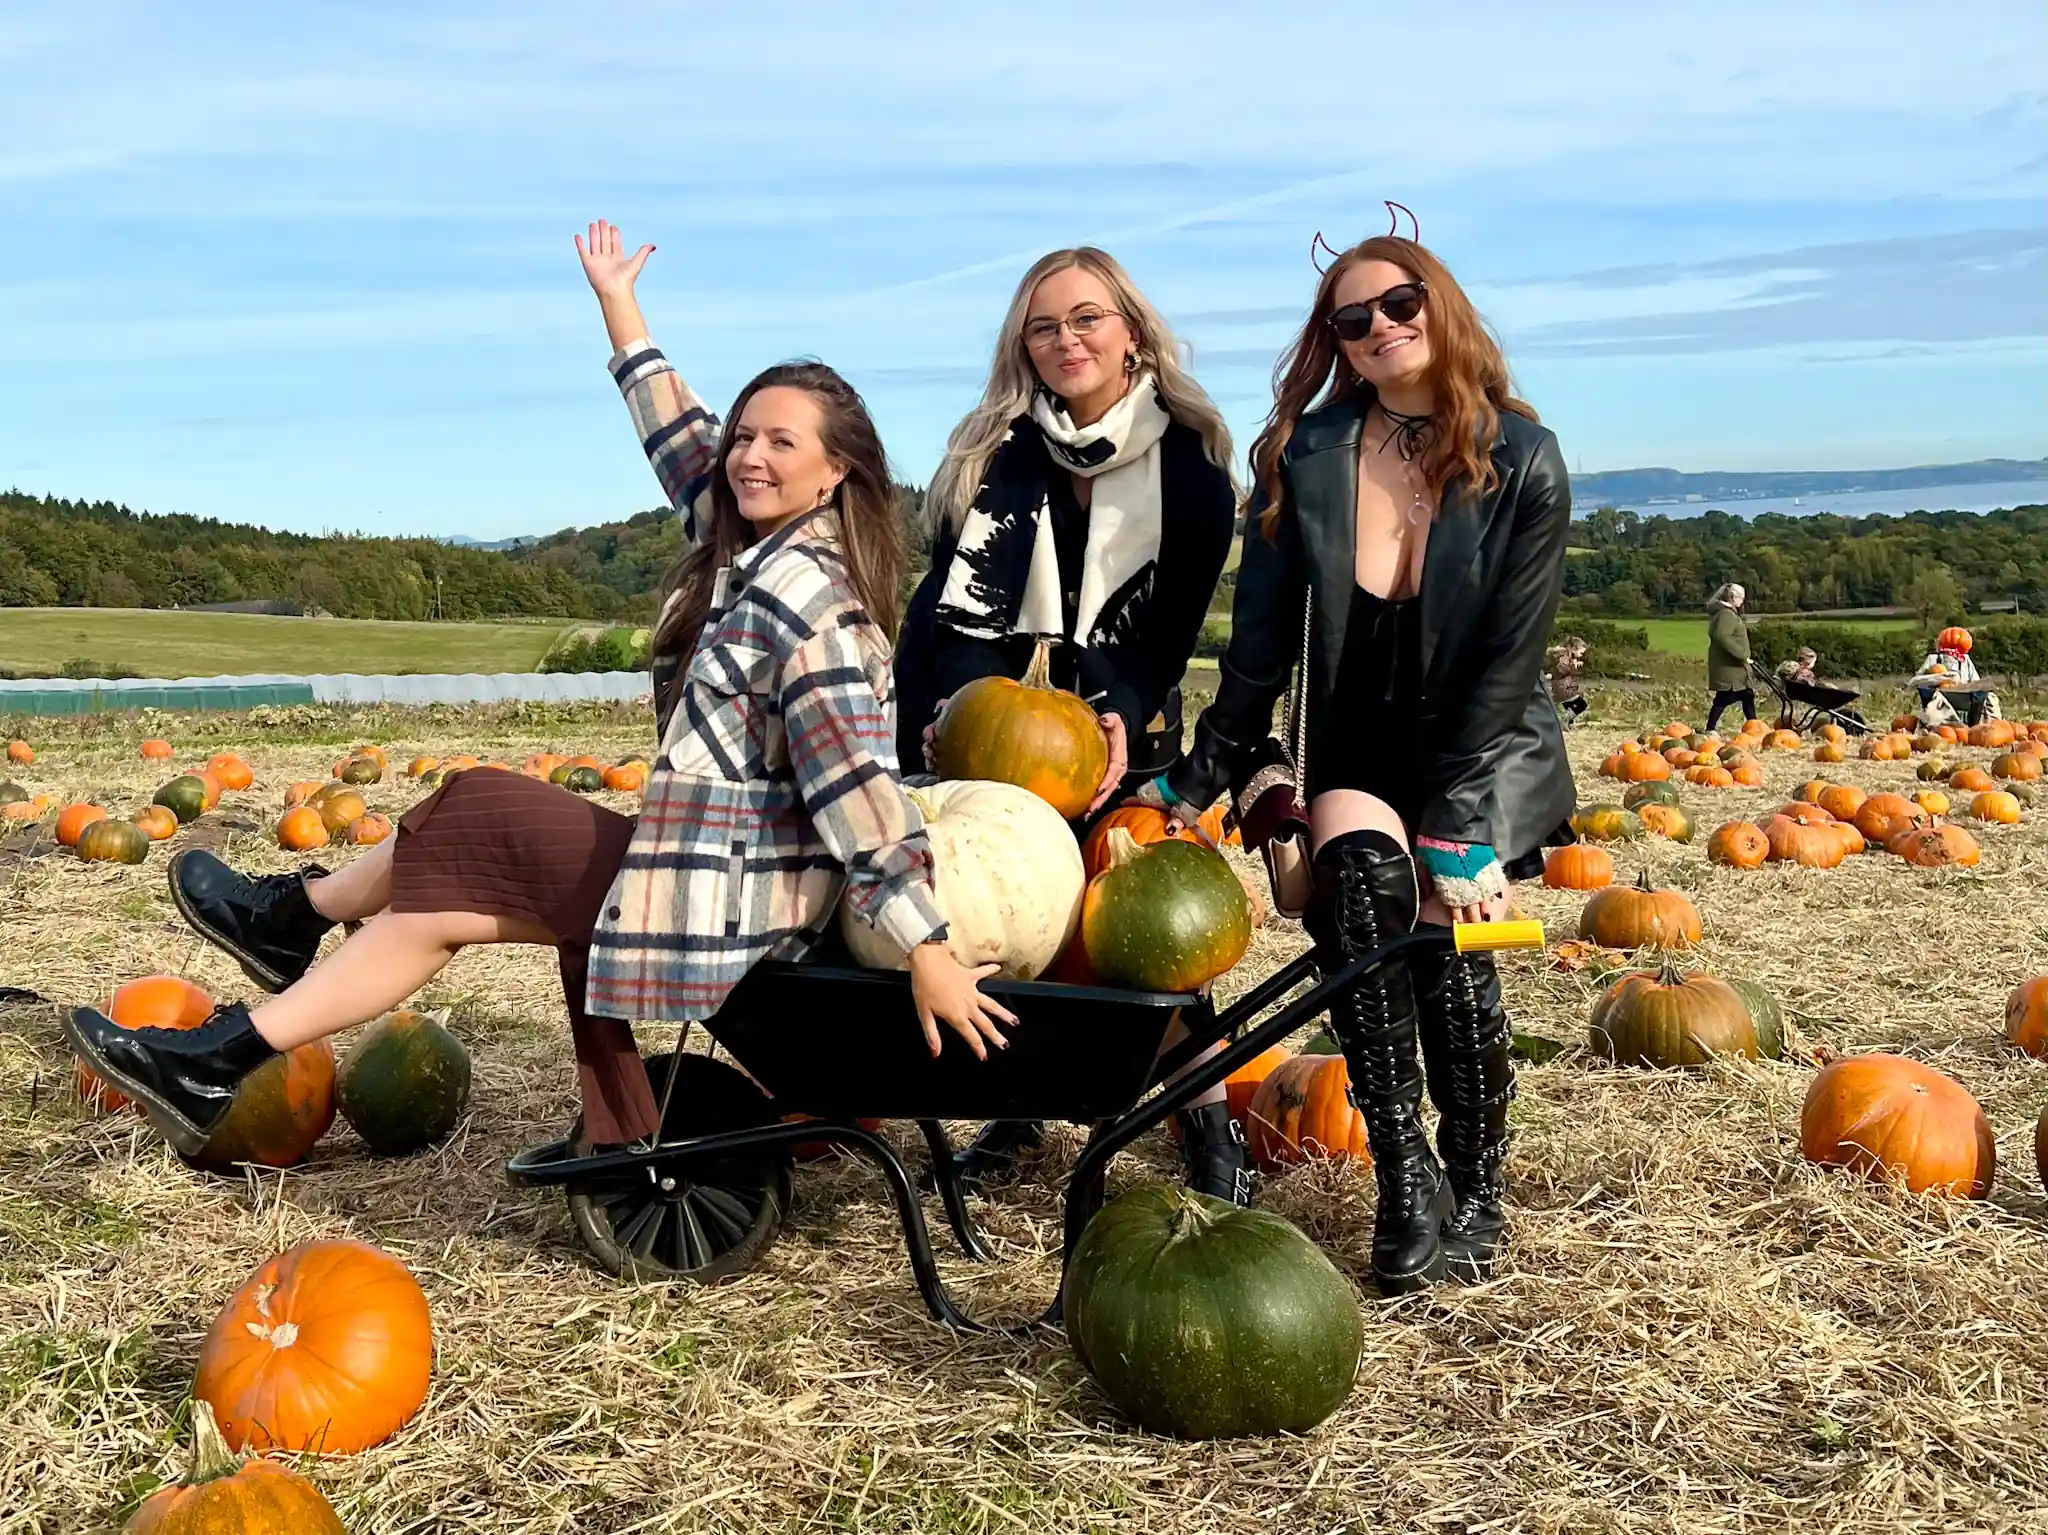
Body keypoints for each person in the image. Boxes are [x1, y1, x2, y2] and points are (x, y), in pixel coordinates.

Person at [61, 222, 1011, 1162]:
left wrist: (924, 940)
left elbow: (856, 784)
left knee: (474, 813)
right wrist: (619, 306)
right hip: (702, 858)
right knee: (437, 895)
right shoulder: (749, 545)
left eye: (782, 442)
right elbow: (682, 440)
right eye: (746, 436)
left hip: (738, 891)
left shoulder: (817, 606)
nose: (750, 455)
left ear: (836, 469)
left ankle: (285, 931)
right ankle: (232, 1031)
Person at [1137, 228, 1575, 1295]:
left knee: (1442, 938)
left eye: (1397, 303)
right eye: (1351, 318)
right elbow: (1255, 642)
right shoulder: (1314, 450)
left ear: (1440, 304)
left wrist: (1461, 832)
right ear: (1331, 339)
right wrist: (1193, 781)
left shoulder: (1524, 458)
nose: (1379, 327)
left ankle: (1476, 1183)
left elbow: (1512, 664)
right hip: (1357, 744)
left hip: (1485, 747)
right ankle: (1404, 1171)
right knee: (1366, 891)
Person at [891, 247, 1242, 1196]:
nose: (1065, 340)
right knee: (1004, 915)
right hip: (982, 719)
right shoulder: (994, 452)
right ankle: (1012, 1113)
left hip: (1120, 718)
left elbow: (1169, 632)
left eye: (1087, 318)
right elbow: (956, 610)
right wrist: (955, 712)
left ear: (1132, 331)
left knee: (1139, 925)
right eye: (1043, 326)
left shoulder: (1194, 468)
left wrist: (1121, 714)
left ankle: (1209, 1131)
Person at [1913, 625, 1990, 726]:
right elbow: (1918, 680)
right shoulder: (1934, 658)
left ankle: (1973, 725)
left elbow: (1975, 681)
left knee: (1981, 691)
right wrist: (1938, 678)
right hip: (1939, 694)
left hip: (1962, 694)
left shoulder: (1965, 660)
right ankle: (1935, 723)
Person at [1704, 583, 1754, 732]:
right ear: (1732, 597)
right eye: (1741, 597)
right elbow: (1721, 637)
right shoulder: (1726, 615)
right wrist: (1742, 655)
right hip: (1730, 666)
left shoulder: (1726, 613)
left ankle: (1754, 725)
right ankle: (1710, 729)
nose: (1742, 601)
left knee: (1747, 695)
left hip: (1732, 666)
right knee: (1725, 697)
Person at [1545, 634, 1589, 725]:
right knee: (1582, 705)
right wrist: (1573, 665)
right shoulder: (1564, 656)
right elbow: (1561, 669)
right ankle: (1562, 719)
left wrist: (1574, 665)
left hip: (1563, 687)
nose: (1581, 656)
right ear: (1574, 649)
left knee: (1570, 707)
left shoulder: (1567, 656)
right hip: (1564, 688)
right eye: (1581, 653)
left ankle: (1568, 724)